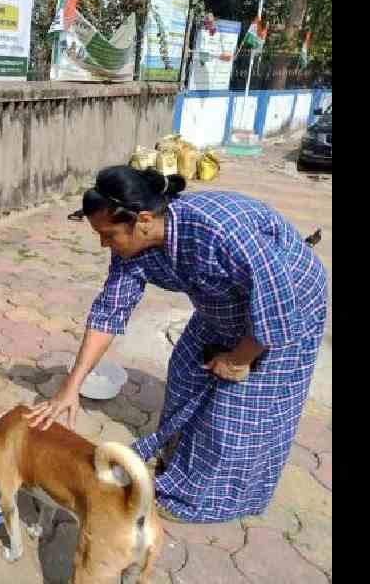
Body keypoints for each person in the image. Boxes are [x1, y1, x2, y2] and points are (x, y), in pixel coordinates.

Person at [26, 165, 327, 523]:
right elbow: (109, 311)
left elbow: (275, 300)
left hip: (287, 306)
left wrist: (240, 359)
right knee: (186, 370)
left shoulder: (217, 231)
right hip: (220, 302)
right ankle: (181, 454)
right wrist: (70, 387)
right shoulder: (133, 250)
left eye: (108, 235)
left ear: (143, 220)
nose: (103, 244)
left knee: (236, 411)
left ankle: (205, 498)